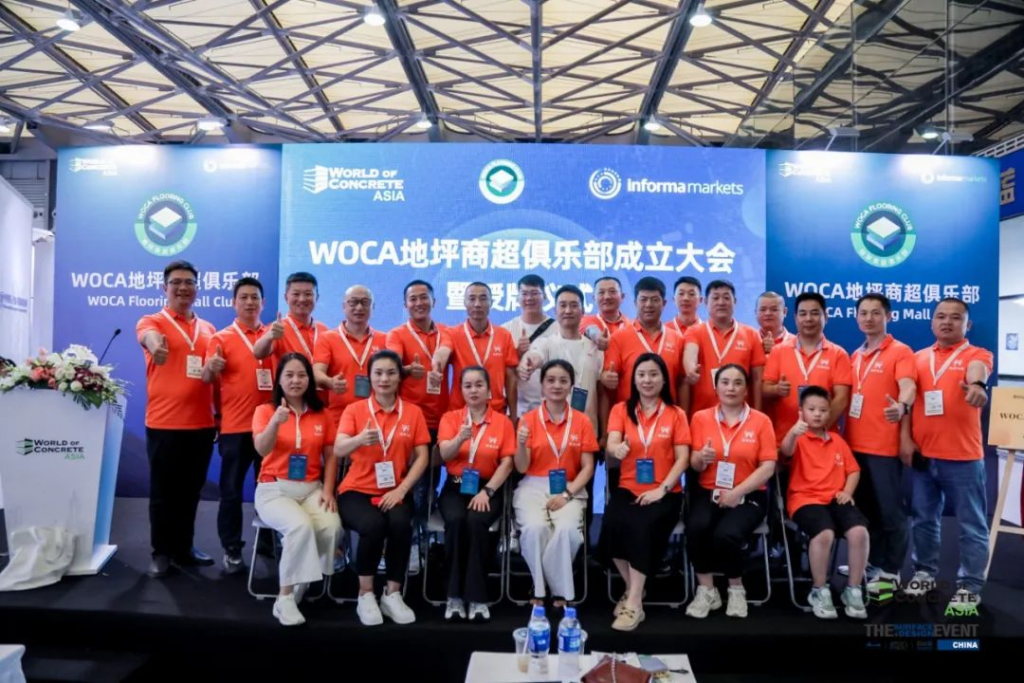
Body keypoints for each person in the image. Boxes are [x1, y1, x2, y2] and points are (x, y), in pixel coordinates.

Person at [901, 298, 992, 608]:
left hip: (964, 458)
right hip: (924, 456)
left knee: (972, 525)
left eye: (955, 317)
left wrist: (977, 385)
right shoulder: (918, 358)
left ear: (967, 324)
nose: (947, 322)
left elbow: (979, 372)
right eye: (941, 316)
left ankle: (970, 585)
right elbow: (909, 400)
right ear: (932, 322)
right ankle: (925, 572)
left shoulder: (977, 354)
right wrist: (906, 440)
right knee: (923, 520)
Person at [335, 350, 430, 626]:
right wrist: (359, 439)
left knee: (400, 523)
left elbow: (423, 457)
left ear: (400, 377)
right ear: (369, 377)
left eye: (390, 373)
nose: (384, 379)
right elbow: (338, 449)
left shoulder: (413, 412)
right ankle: (366, 594)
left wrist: (402, 489)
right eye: (378, 373)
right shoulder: (354, 410)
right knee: (373, 525)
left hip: (395, 490)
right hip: (356, 490)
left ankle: (392, 594)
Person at [136, 260, 218, 578]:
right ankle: (161, 552)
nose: (183, 288)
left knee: (190, 493)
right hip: (164, 424)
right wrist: (156, 346)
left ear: (197, 288)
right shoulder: (152, 321)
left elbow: (212, 376)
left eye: (189, 282)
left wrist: (219, 414)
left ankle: (184, 548)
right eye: (176, 282)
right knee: (162, 494)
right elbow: (148, 337)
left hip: (201, 425)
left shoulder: (208, 329)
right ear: (164, 287)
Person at [601, 353, 690, 631]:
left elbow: (683, 459)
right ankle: (633, 589)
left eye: (653, 374)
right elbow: (611, 444)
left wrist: (661, 490)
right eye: (641, 374)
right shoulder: (621, 410)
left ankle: (634, 604)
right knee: (611, 525)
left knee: (641, 527)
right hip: (628, 487)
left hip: (665, 491)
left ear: (663, 379)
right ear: (634, 379)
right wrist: (617, 449)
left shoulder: (676, 414)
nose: (647, 380)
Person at [252, 353, 342, 626]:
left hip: (312, 489)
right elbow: (262, 449)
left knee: (332, 526)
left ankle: (301, 580)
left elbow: (331, 457)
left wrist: (328, 491)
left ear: (309, 380)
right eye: (289, 375)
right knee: (300, 527)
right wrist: (275, 422)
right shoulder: (265, 411)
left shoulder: (322, 414)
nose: (295, 380)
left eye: (302, 375)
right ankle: (285, 598)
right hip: (274, 489)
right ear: (279, 380)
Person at [685, 364, 777, 619]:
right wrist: (701, 458)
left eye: (738, 383)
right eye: (724, 382)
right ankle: (706, 590)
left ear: (746, 389)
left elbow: (768, 467)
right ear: (716, 387)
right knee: (696, 527)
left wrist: (737, 492)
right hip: (709, 491)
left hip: (749, 494)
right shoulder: (700, 418)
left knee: (727, 534)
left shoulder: (761, 421)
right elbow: (693, 463)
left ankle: (736, 588)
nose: (731, 388)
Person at [202, 276, 274, 574]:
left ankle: (268, 542)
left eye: (254, 297)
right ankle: (231, 548)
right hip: (235, 428)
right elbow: (206, 378)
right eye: (243, 297)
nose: (249, 302)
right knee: (231, 491)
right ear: (234, 303)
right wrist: (210, 367)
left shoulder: (273, 335)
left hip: (269, 428)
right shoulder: (221, 338)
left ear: (263, 303)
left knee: (269, 489)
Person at [513, 360, 598, 608]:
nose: (557, 385)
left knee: (567, 532)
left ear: (571, 385)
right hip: (533, 485)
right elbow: (521, 467)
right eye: (550, 380)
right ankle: (543, 588)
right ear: (541, 385)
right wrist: (520, 445)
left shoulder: (582, 421)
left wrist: (567, 494)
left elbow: (588, 467)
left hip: (570, 486)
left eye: (563, 380)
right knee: (535, 529)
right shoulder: (528, 419)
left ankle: (553, 587)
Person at [845, 293, 916, 588]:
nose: (869, 318)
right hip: (854, 446)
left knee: (891, 511)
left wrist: (901, 406)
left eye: (876, 313)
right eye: (863, 313)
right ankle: (872, 561)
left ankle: (891, 569)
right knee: (866, 511)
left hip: (884, 447)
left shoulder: (901, 351)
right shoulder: (856, 355)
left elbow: (908, 386)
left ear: (888, 316)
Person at [780, 386, 868, 620]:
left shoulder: (837, 440)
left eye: (822, 410)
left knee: (859, 532)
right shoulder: (797, 438)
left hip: (836, 498)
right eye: (811, 409)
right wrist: (793, 432)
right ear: (801, 411)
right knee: (824, 533)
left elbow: (853, 470)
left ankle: (853, 590)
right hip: (805, 500)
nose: (817, 414)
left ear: (830, 413)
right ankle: (819, 590)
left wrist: (847, 492)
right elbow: (785, 452)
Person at [436, 367, 516, 621]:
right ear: (461, 390)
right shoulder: (450, 419)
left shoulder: (502, 422)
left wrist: (488, 491)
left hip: (488, 486)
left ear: (489, 390)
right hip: (455, 485)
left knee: (476, 522)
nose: (473, 390)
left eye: (479, 385)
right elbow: (444, 455)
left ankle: (478, 597)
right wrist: (459, 438)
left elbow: (507, 463)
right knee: (456, 521)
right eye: (468, 386)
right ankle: (453, 595)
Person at [387, 280, 450, 574]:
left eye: (424, 297)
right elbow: (390, 364)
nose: (419, 303)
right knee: (415, 485)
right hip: (410, 423)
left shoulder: (445, 332)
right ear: (405, 305)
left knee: (433, 485)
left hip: (443, 420)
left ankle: (426, 540)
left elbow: (446, 348)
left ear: (434, 302)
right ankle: (410, 544)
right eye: (413, 299)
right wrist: (404, 370)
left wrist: (438, 360)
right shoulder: (397, 334)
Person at [762, 292, 852, 442]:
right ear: (795, 318)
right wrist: (777, 389)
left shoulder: (838, 354)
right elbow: (765, 389)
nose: (808, 319)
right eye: (803, 314)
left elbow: (841, 399)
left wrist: (817, 431)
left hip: (822, 440)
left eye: (814, 313)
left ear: (826, 317)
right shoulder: (778, 351)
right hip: (785, 439)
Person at [519, 285, 606, 434]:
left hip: (588, 431)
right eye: (563, 305)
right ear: (555, 310)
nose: (568, 310)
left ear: (583, 311)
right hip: (552, 431)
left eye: (574, 305)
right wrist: (529, 365)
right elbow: (536, 356)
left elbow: (601, 392)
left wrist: (604, 433)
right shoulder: (546, 343)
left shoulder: (596, 348)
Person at [432, 282, 519, 417]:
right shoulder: (452, 334)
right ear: (464, 303)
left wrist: (513, 416)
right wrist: (436, 366)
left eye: (483, 298)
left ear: (491, 302)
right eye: (472, 299)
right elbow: (443, 351)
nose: (477, 304)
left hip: (495, 413)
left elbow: (511, 379)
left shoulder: (504, 335)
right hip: (460, 413)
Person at [683, 280, 766, 416]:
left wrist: (757, 413)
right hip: (703, 415)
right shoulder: (695, 331)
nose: (721, 302)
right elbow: (690, 352)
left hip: (741, 415)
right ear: (706, 302)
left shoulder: (751, 334)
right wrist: (690, 369)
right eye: (715, 298)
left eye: (726, 298)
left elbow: (757, 379)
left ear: (735, 301)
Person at [313, 284, 386, 435]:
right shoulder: (327, 339)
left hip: (377, 416)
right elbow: (316, 373)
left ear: (373, 307)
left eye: (365, 302)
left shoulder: (385, 339)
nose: (359, 307)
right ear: (344, 306)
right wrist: (330, 382)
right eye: (353, 302)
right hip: (339, 418)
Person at [601, 276, 685, 407]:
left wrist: (683, 416)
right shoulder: (618, 338)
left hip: (667, 415)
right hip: (630, 415)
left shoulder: (677, 339)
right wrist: (605, 377)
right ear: (635, 303)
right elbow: (607, 379)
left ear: (664, 303)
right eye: (643, 299)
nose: (648, 305)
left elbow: (682, 383)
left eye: (654, 300)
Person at [504, 275, 558, 417]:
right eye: (524, 294)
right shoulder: (506, 330)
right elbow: (500, 371)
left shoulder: (558, 329)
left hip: (551, 410)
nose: (529, 298)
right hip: (517, 409)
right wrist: (518, 354)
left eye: (534, 293)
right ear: (517, 297)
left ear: (545, 296)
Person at [253, 271, 328, 365]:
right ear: (286, 297)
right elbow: (258, 353)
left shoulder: (324, 330)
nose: (302, 299)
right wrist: (269, 336)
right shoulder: (278, 328)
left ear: (317, 297)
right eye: (296, 294)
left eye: (308, 294)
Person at [580, 276, 631, 352]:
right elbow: (590, 329)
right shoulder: (586, 320)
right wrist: (597, 336)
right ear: (594, 298)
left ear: (622, 297)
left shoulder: (631, 325)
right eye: (601, 292)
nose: (607, 297)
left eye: (612, 291)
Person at [755, 291, 790, 355]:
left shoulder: (797, 343)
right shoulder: (748, 342)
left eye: (774, 309)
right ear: (755, 312)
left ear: (784, 312)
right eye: (762, 309)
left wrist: (775, 351)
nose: (768, 313)